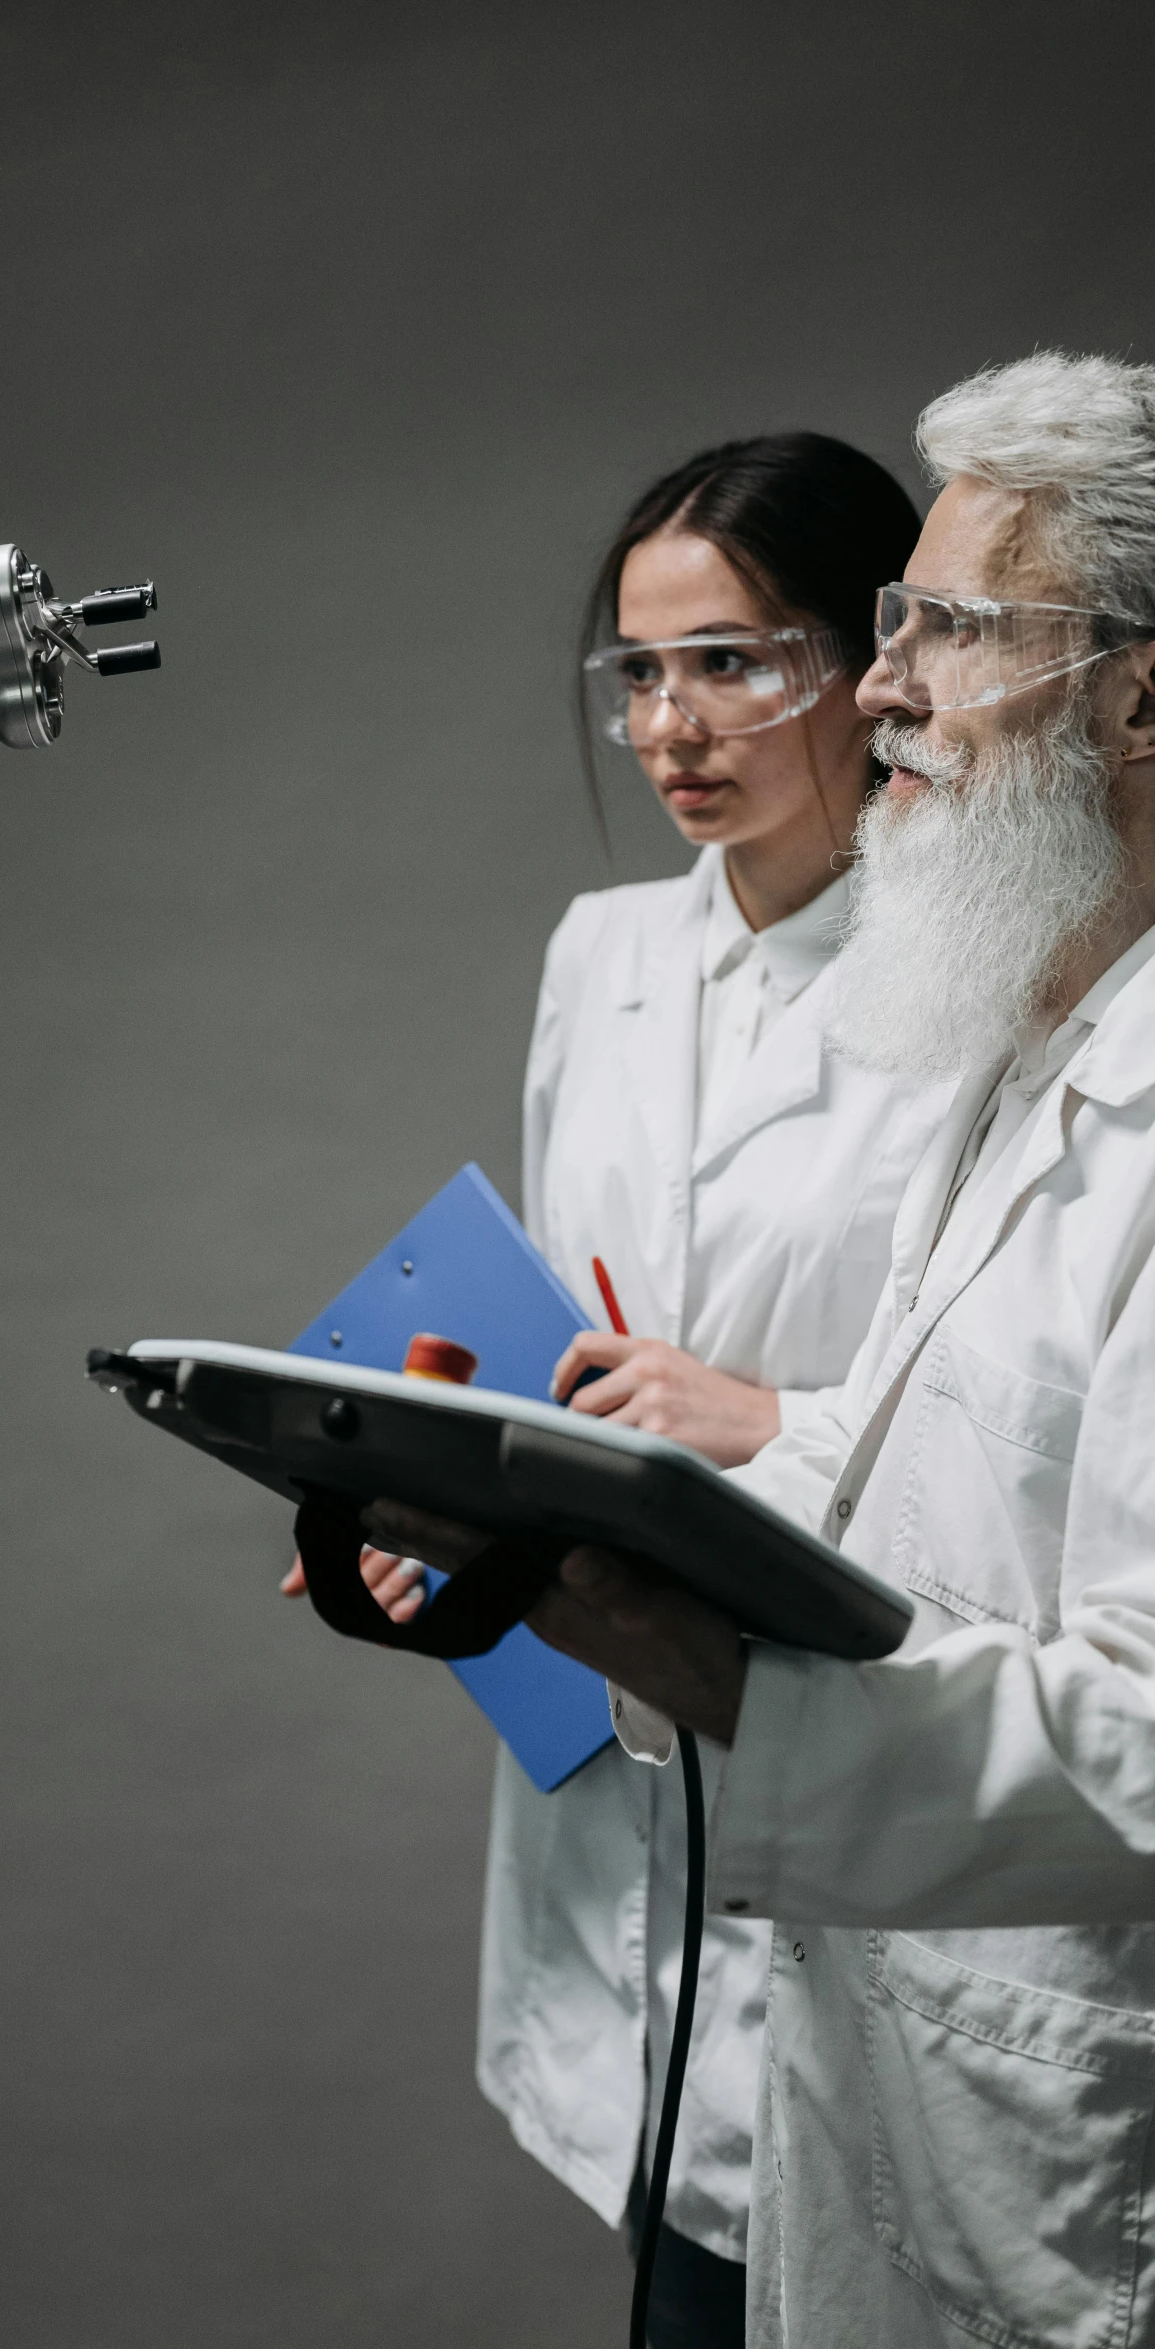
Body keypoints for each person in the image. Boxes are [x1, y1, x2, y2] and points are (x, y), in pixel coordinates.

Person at [480, 350, 1155, 2345]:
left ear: (1139, 689)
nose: (883, 687)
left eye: (948, 628)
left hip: (1023, 2090)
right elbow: (949, 1461)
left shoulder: (1002, 1018)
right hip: (836, 2029)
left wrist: (723, 1668)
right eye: (892, 631)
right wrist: (507, 1507)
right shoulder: (1045, 1033)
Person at [291, 434, 953, 2344]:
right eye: (642, 672)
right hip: (615, 1743)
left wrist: (762, 1421)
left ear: (880, 657)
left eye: (735, 661)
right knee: (681, 2233)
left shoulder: (995, 974)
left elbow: (1016, 1420)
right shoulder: (602, 956)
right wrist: (435, 1507)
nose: (674, 723)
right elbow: (553, 1339)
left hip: (864, 1710)